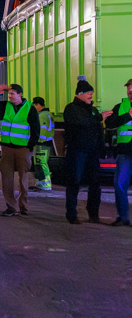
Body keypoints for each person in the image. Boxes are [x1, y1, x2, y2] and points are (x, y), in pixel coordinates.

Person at [0, 82, 40, 216]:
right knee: (6, 178)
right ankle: (11, 206)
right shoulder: (5, 106)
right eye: (9, 94)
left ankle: (23, 204)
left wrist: (29, 147)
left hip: (23, 149)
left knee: (23, 178)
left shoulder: (29, 109)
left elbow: (35, 129)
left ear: (20, 95)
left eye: (12, 94)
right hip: (7, 148)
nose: (10, 97)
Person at [63, 76, 104, 224]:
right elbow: (82, 123)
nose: (91, 96)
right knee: (74, 182)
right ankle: (71, 214)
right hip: (77, 152)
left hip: (92, 152)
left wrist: (101, 147)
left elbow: (98, 130)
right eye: (89, 93)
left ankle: (93, 214)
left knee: (95, 183)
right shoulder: (71, 109)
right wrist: (99, 117)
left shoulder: (92, 110)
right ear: (80, 94)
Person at [104, 77, 132, 227]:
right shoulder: (120, 106)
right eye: (128, 88)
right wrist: (128, 116)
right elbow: (109, 124)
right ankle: (123, 217)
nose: (130, 91)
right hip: (125, 152)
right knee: (120, 184)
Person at [30, 97, 54, 191]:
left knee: (41, 163)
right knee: (40, 163)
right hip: (44, 143)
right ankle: (40, 183)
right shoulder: (46, 114)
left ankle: (45, 184)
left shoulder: (43, 115)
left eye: (34, 105)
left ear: (38, 105)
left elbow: (42, 131)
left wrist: (38, 141)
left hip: (42, 143)